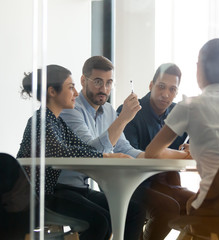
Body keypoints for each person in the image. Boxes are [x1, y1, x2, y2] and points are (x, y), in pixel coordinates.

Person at [60, 56, 190, 239]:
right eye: (98, 82)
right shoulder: (72, 109)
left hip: (87, 185)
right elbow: (91, 154)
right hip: (64, 187)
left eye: (109, 83)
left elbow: (125, 148)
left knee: (134, 212)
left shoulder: (108, 111)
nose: (104, 89)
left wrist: (148, 156)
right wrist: (123, 119)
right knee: (106, 218)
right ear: (83, 80)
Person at [145, 39, 219, 237]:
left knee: (193, 207)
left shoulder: (190, 106)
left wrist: (185, 154)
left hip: (213, 207)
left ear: (199, 67)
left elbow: (151, 153)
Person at [16, 64, 142, 240]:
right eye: (70, 87)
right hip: (40, 196)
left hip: (54, 192)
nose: (76, 92)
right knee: (99, 221)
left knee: (133, 211)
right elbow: (62, 152)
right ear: (52, 92)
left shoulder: (57, 122)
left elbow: (83, 148)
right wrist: (104, 155)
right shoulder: (41, 120)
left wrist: (107, 154)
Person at [116, 63, 194, 239]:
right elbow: (131, 157)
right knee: (168, 208)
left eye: (172, 89)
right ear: (151, 85)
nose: (166, 94)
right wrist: (183, 153)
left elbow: (195, 143)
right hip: (134, 184)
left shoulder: (177, 112)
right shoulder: (130, 112)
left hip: (166, 183)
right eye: (161, 87)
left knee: (199, 205)